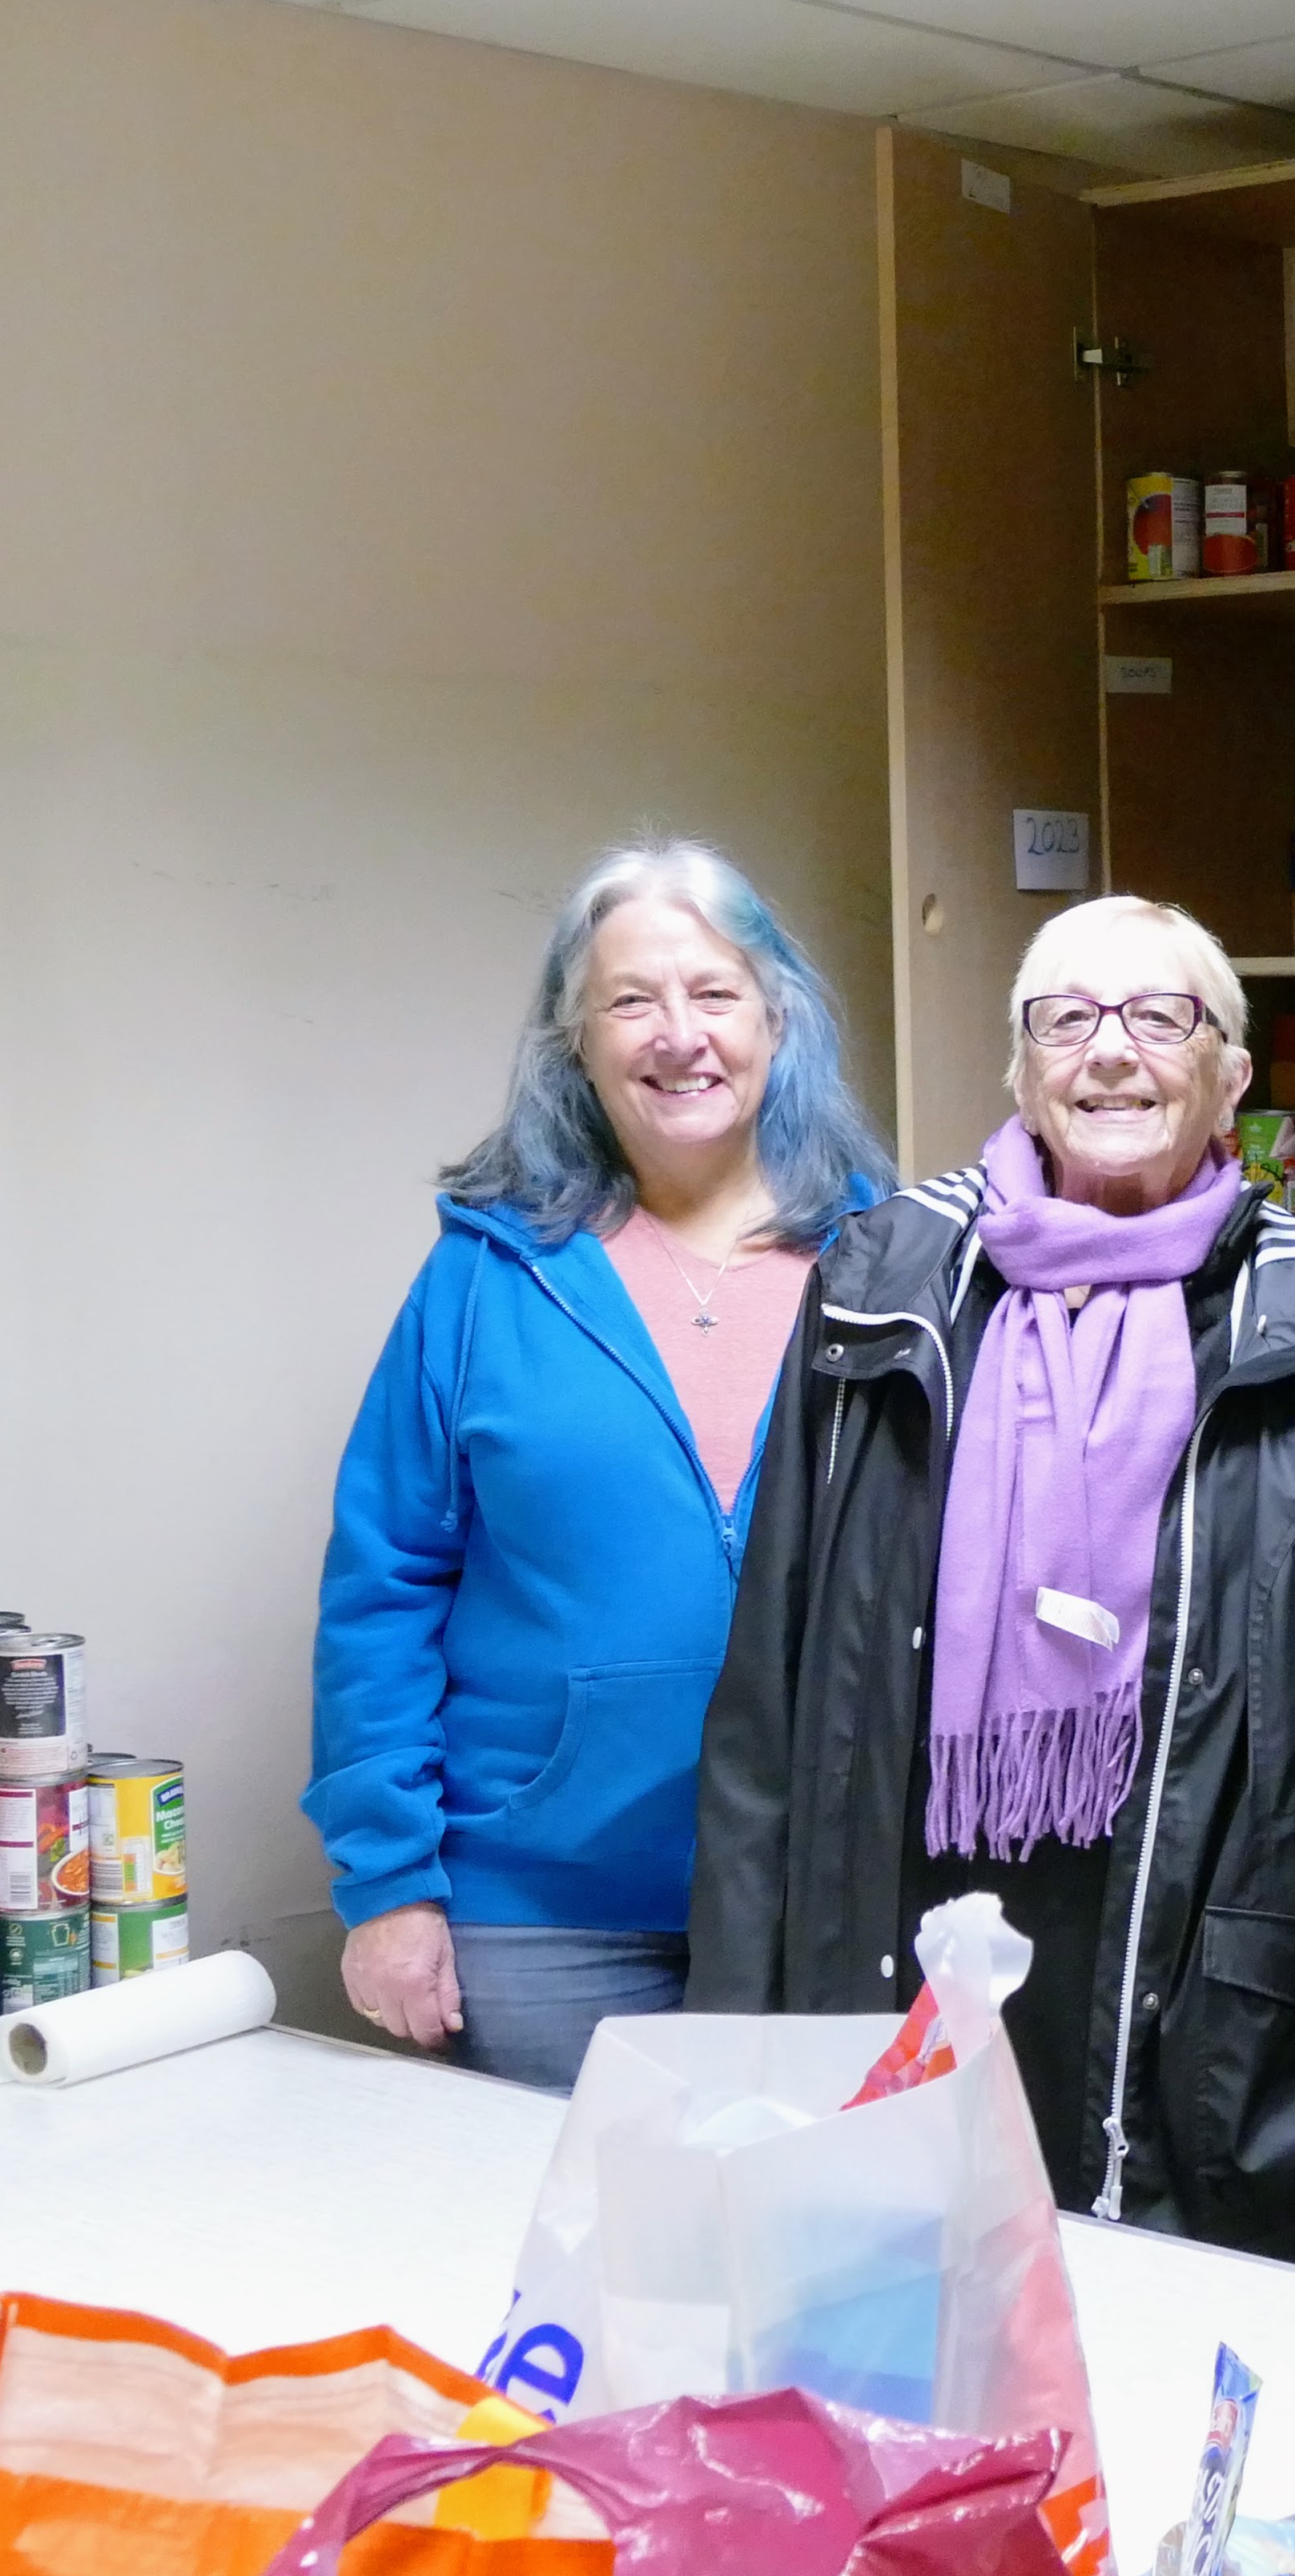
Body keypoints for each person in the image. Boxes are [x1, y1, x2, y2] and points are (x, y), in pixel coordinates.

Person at [686, 896, 1295, 2270]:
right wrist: (737, 2010)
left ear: (1231, 1078)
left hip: (1192, 1993)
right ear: (1021, 1071)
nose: (1111, 1054)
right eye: (1067, 1020)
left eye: (1161, 1017)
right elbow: (769, 1675)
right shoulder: (881, 1283)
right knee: (899, 2354)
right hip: (896, 1932)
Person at [310, 838, 893, 2090]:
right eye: (631, 1000)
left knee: (792, 2271)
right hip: (541, 1923)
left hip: (821, 1903)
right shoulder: (484, 1276)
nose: (677, 1034)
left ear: (778, 1020)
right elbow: (384, 1583)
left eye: (714, 994)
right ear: (575, 1042)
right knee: (556, 2275)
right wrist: (388, 1886)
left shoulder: (886, 1264)